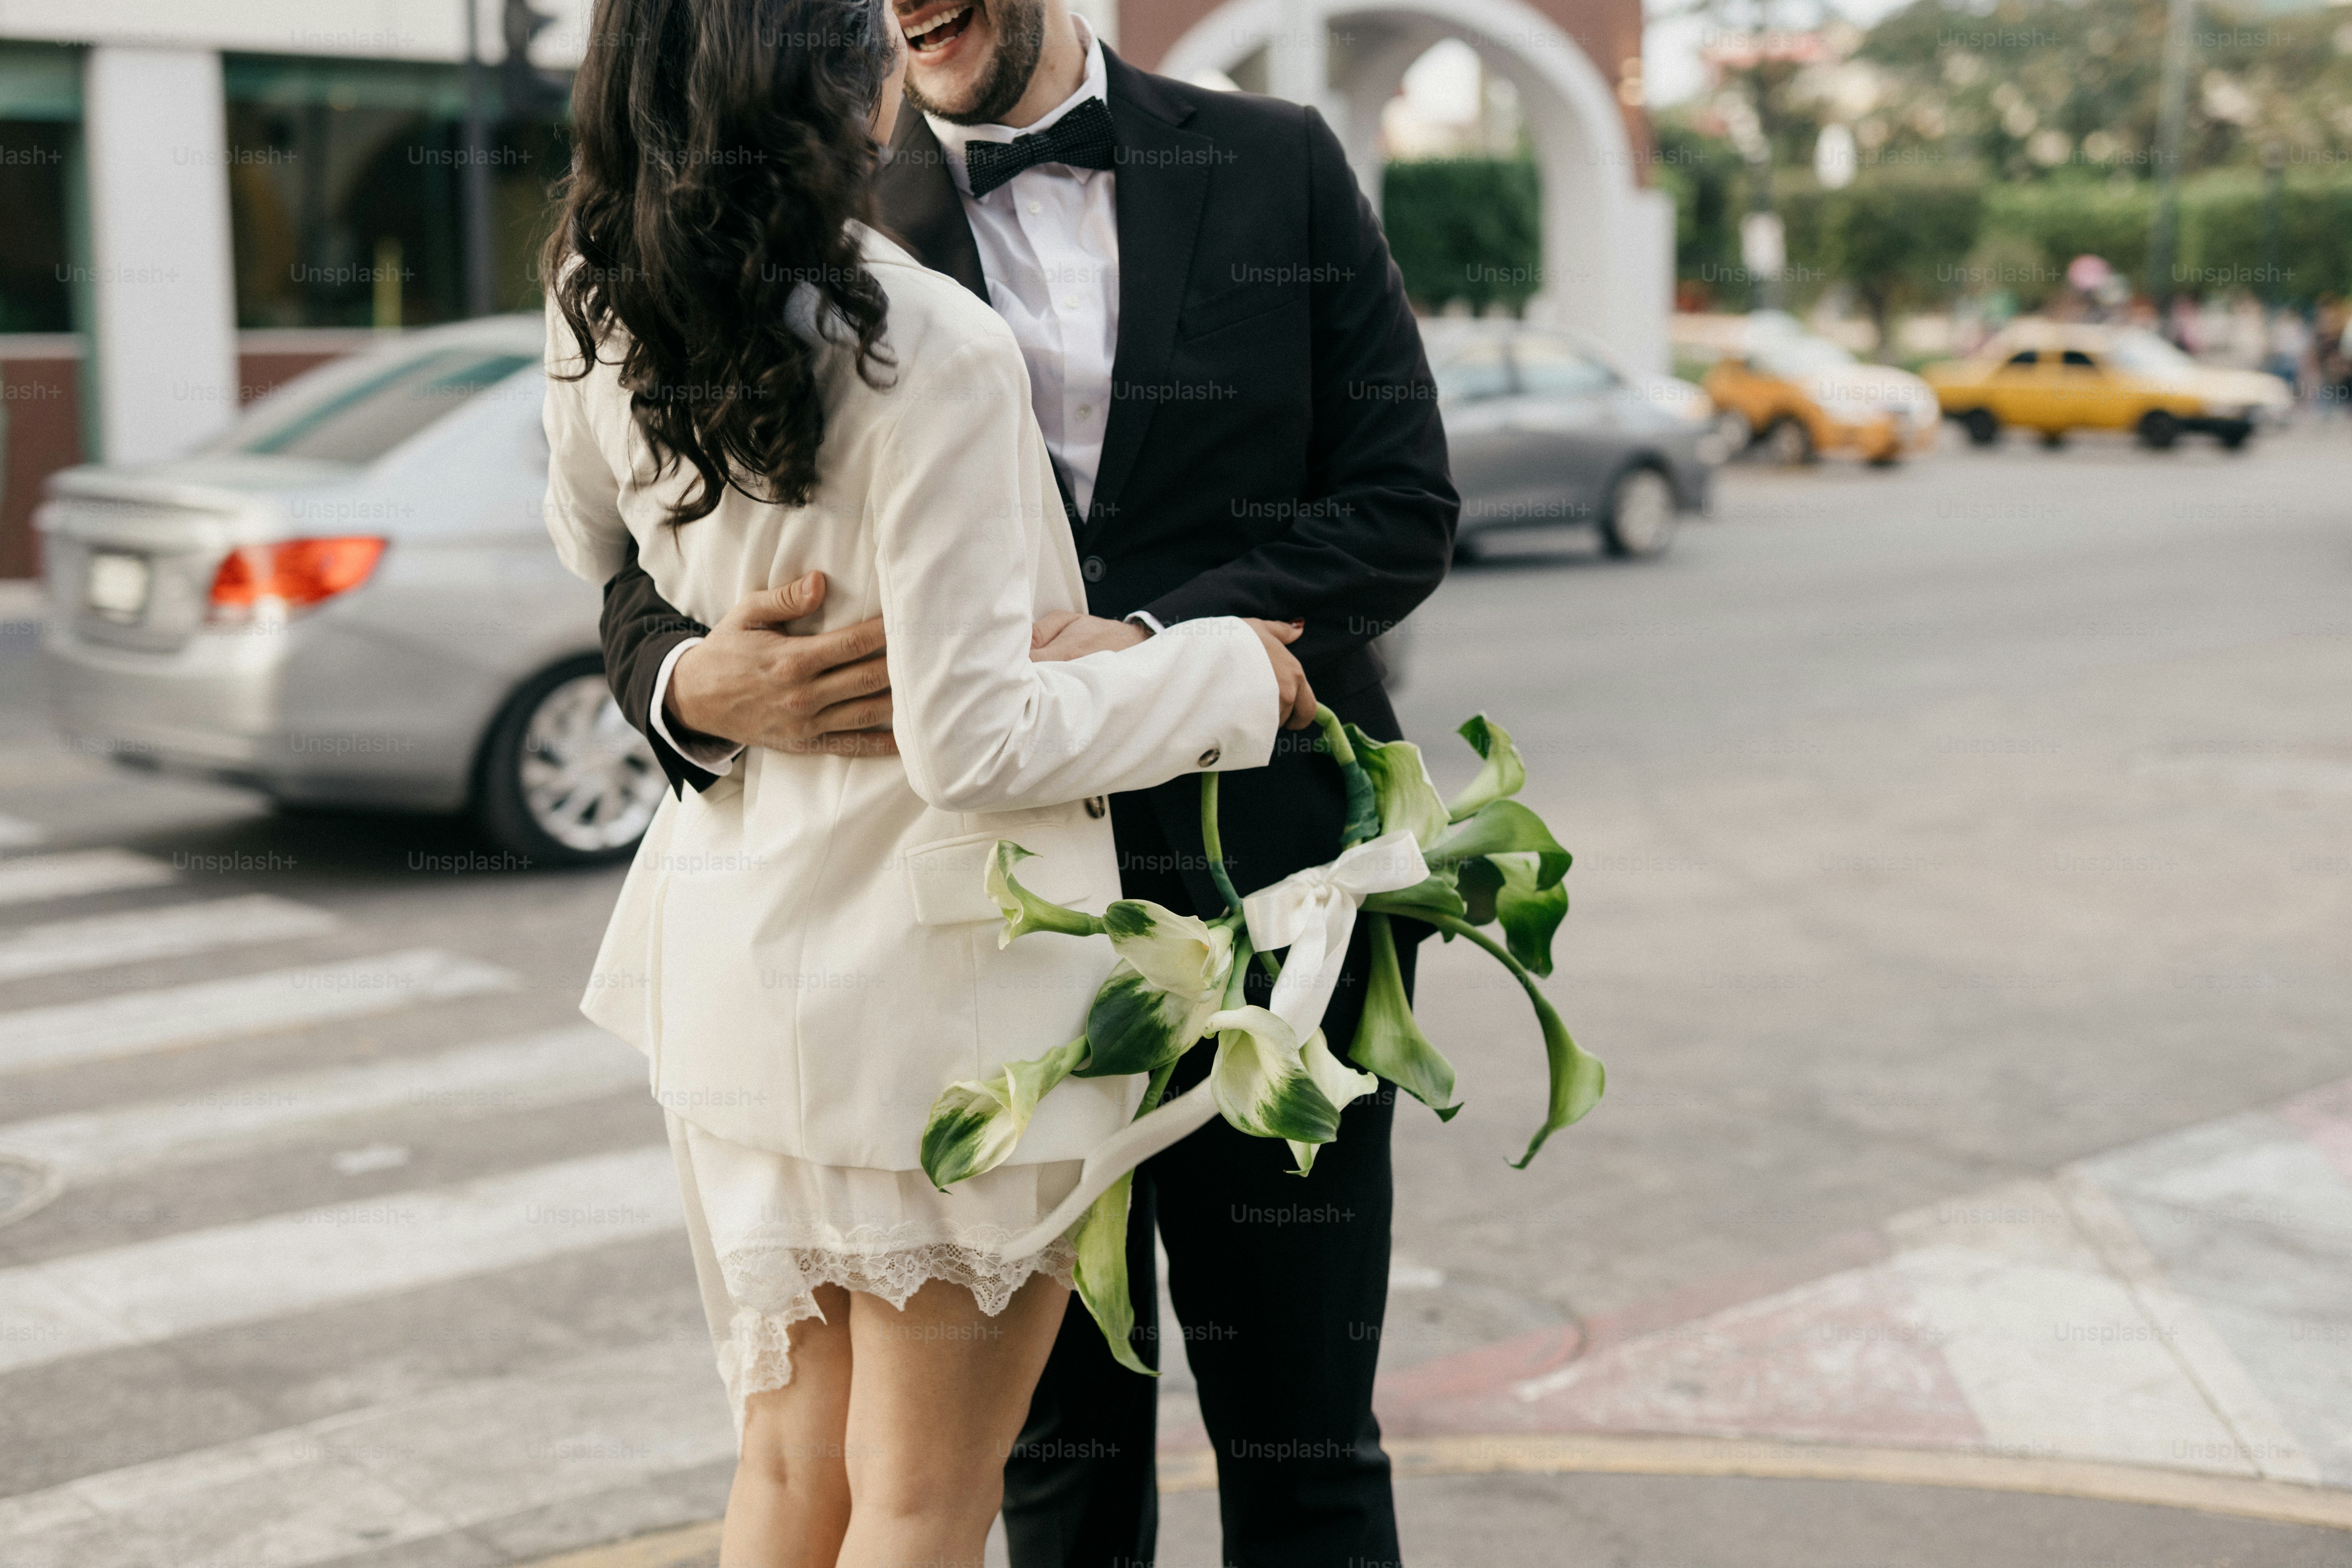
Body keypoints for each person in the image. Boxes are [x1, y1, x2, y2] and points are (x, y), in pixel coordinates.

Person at [591, 0, 1459, 1558]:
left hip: (1274, 898)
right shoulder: (797, 187)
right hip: (965, 937)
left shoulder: (1280, 162)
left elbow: (1397, 508)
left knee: (1305, 1436)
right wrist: (685, 683)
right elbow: (635, 556)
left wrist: (1136, 640)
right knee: (1045, 1467)